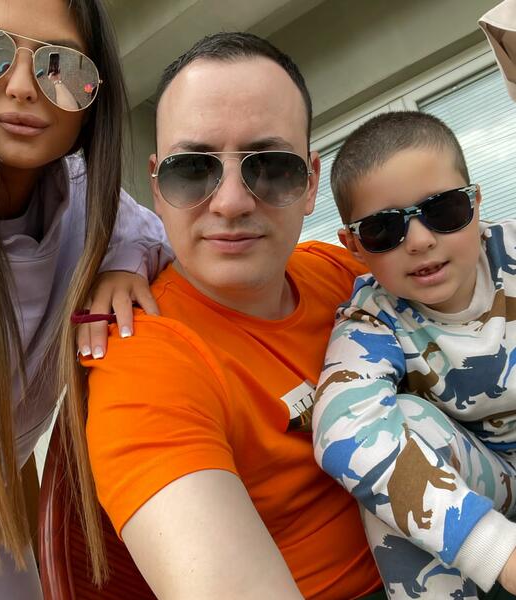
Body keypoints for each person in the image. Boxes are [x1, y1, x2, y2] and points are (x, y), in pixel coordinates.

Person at [75, 32, 384, 599]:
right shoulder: (145, 364)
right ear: (157, 188)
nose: (232, 202)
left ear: (311, 182)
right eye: (193, 169)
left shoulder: (342, 271)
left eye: (272, 167)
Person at [0, 0, 172, 598]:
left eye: (61, 64)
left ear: (96, 93)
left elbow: (153, 236)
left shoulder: (85, 198)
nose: (23, 87)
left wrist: (122, 264)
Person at [311, 110, 516, 599]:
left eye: (443, 210)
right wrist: (497, 550)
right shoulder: (372, 319)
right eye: (384, 229)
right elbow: (341, 429)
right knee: (396, 434)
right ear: (354, 246)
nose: (421, 240)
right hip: (492, 483)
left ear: (475, 203)